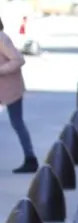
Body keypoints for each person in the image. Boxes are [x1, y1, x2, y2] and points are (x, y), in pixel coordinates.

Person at [0, 16, 37, 173]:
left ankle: (31, 159)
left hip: (10, 88)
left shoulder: (2, 38)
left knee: (17, 123)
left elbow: (18, 59)